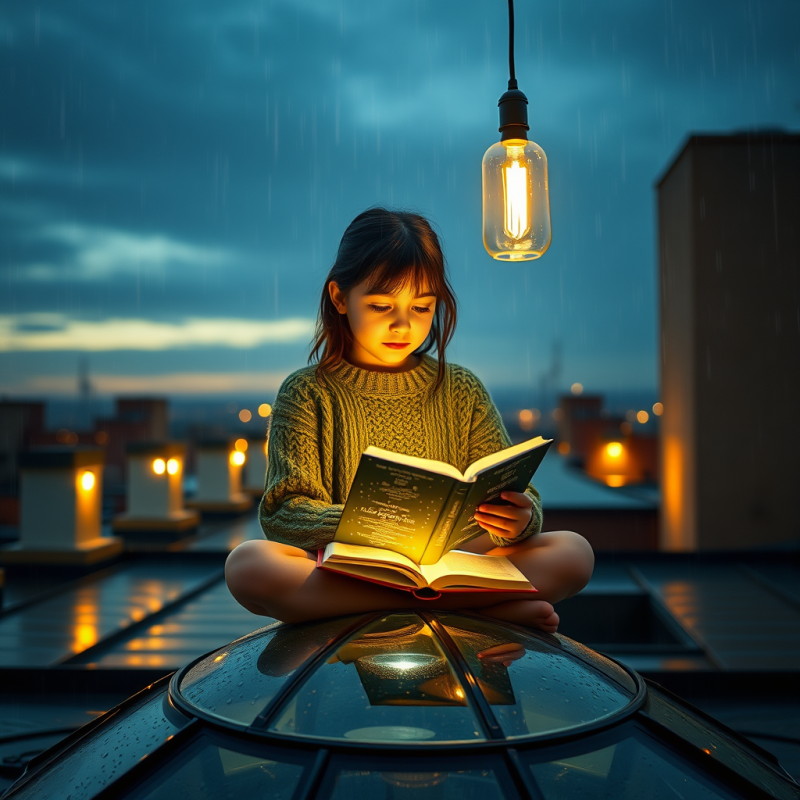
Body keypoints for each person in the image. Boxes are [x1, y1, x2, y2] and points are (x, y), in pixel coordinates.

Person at [225, 208, 594, 631]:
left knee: (573, 552)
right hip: (352, 568)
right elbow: (282, 514)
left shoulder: (460, 388)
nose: (403, 324)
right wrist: (375, 526)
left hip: (451, 563)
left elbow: (517, 489)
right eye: (382, 305)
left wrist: (520, 517)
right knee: (249, 565)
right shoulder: (308, 392)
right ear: (340, 297)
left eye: (421, 307)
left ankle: (410, 606)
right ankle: (470, 610)